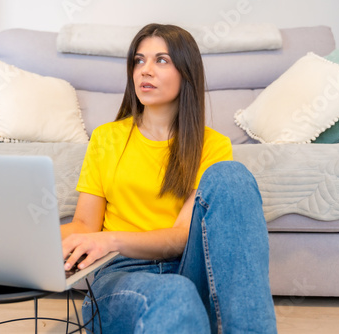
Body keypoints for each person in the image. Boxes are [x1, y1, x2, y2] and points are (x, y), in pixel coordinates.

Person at [61, 23, 277, 333]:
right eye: (139, 60)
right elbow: (84, 226)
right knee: (176, 296)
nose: (145, 70)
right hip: (121, 275)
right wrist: (25, 242)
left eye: (161, 60)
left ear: (186, 72)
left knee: (233, 176)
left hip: (190, 269)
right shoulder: (106, 138)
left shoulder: (212, 145)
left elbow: (179, 239)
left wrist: (112, 239)